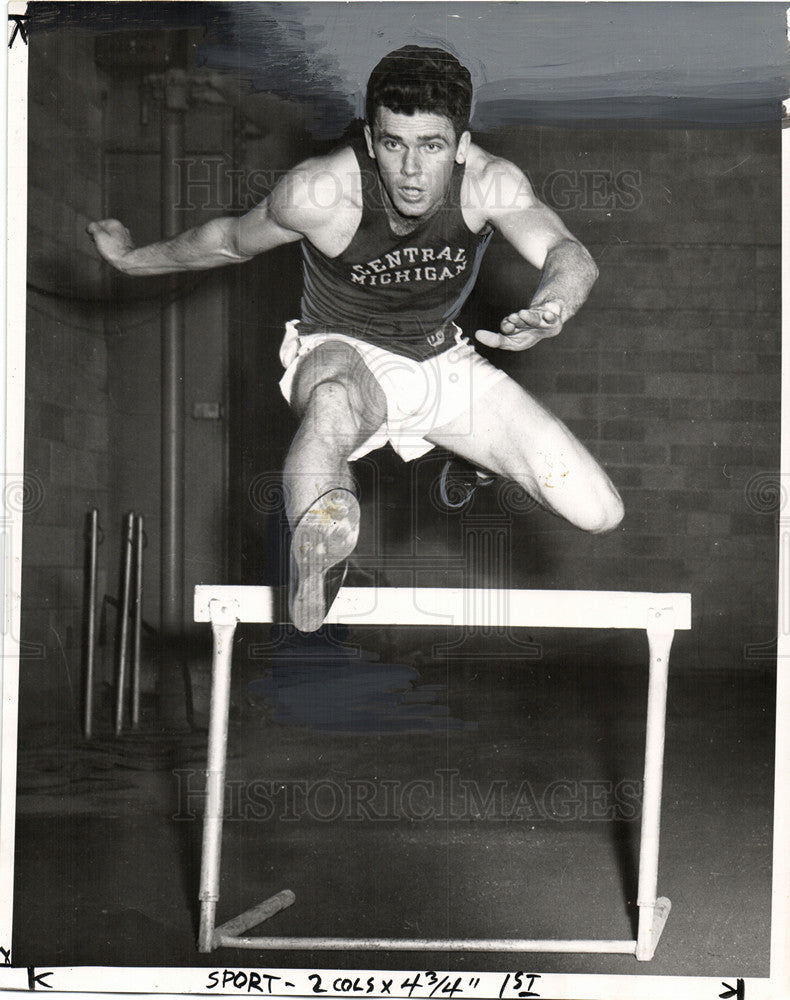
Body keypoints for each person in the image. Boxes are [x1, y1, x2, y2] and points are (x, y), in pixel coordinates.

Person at [88, 45, 624, 633]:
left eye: (432, 146)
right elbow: (227, 241)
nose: (412, 172)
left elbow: (568, 254)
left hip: (442, 359)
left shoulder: (491, 184)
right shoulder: (318, 192)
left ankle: (461, 456)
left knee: (598, 511)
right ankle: (321, 549)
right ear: (371, 141)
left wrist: (553, 305)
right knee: (333, 403)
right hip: (339, 348)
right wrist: (134, 260)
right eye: (394, 145)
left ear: (463, 147)